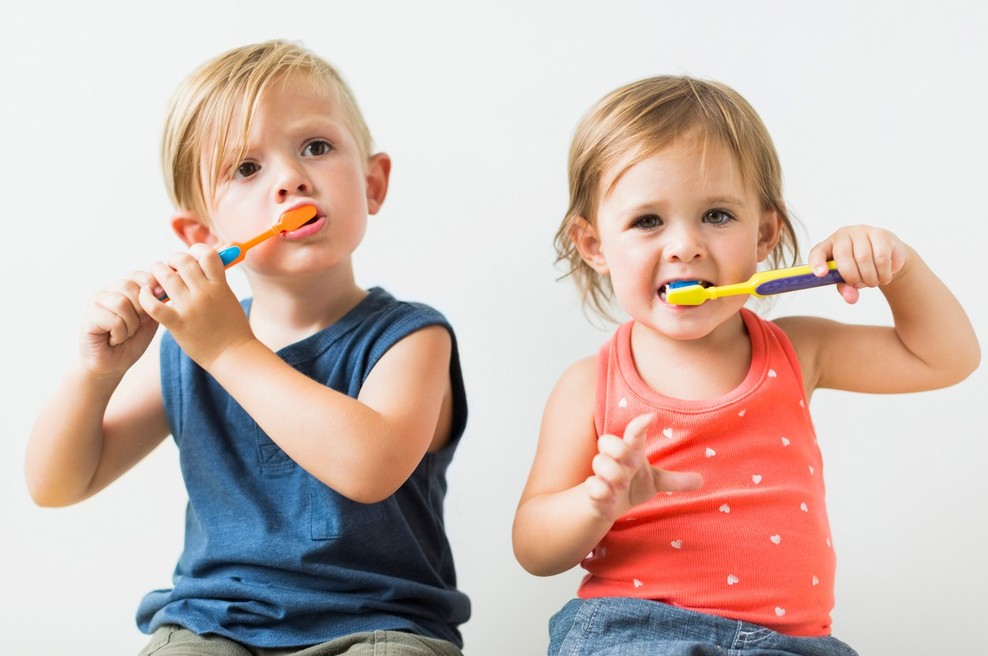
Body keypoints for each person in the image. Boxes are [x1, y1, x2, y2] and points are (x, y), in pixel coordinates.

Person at [26, 39, 470, 655]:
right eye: (246, 168)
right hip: (212, 624)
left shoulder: (413, 338)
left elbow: (368, 470)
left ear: (372, 183)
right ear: (203, 235)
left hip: (381, 624)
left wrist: (229, 350)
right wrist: (95, 373)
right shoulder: (191, 349)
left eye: (316, 147)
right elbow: (57, 484)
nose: (291, 178)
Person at [512, 75, 980, 656]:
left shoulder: (798, 352)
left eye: (716, 214)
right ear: (594, 245)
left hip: (793, 645)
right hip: (635, 632)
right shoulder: (590, 386)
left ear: (765, 233)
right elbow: (533, 548)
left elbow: (946, 358)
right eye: (648, 221)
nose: (684, 245)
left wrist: (899, 269)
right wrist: (595, 503)